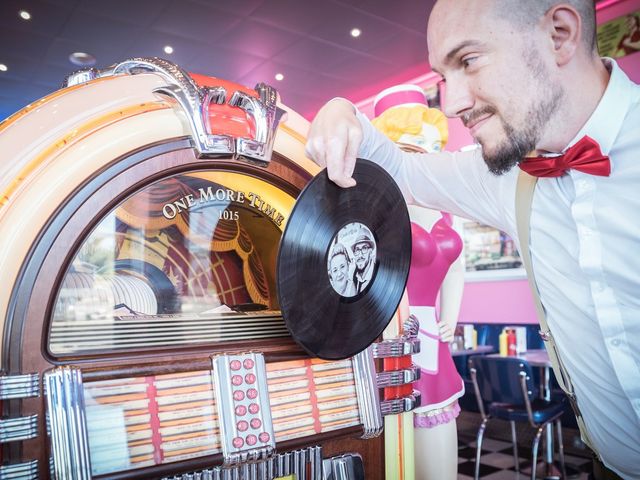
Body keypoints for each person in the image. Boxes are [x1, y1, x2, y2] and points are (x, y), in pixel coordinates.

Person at [305, 1, 640, 478]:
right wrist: (340, 111)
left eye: (469, 60)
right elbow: (400, 168)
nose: (455, 103)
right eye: (444, 75)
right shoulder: (506, 178)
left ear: (560, 34)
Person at [372, 85, 465, 480]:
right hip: (389, 337)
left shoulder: (446, 204)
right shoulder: (377, 205)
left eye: (428, 144)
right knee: (389, 454)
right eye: (410, 146)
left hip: (433, 336)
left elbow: (457, 269)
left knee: (439, 457)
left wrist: (453, 318)